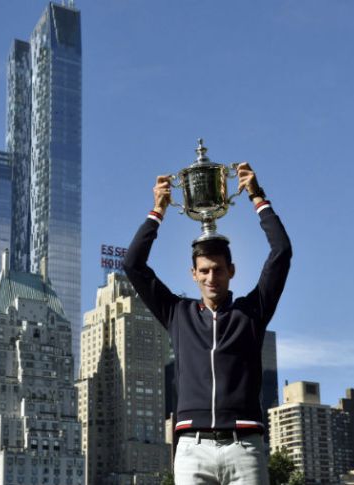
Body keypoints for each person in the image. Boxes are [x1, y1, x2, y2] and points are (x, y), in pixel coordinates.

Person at [122, 162, 292, 484]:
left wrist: (257, 196)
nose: (211, 277)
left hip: (245, 447)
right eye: (204, 271)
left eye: (217, 269)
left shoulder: (251, 313)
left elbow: (281, 252)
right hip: (191, 449)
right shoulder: (177, 313)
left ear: (232, 271)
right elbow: (133, 264)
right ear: (194, 274)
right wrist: (157, 211)